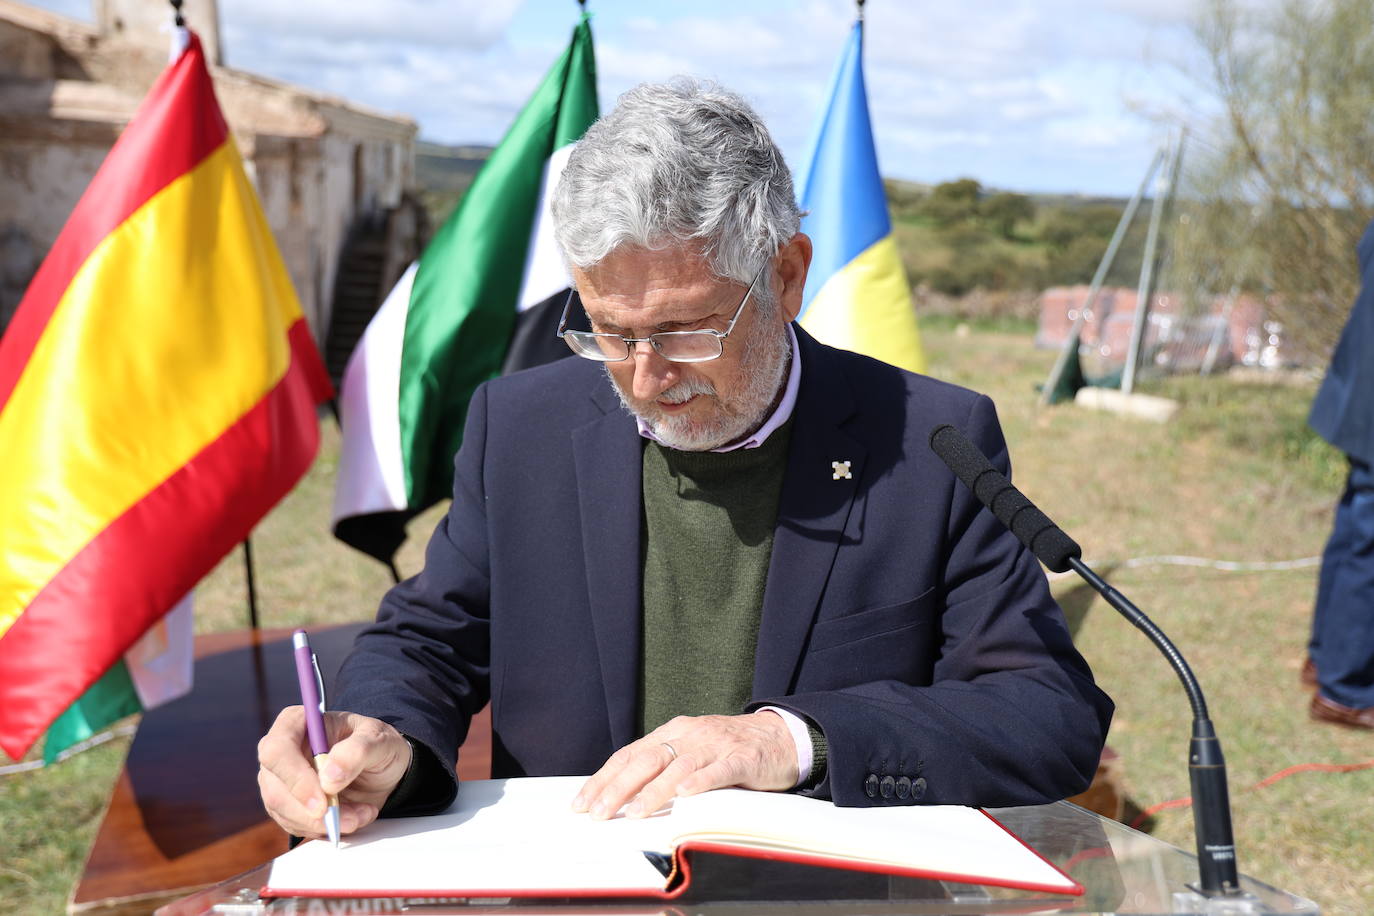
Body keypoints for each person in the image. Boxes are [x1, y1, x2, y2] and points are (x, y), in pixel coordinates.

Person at [258, 79, 1113, 841]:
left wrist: (791, 739)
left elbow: (1047, 714)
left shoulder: (931, 444)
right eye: (609, 331)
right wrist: (379, 740)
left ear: (785, 276)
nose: (644, 376)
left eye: (684, 330)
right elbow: (432, 639)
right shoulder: (520, 427)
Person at [1306, 218, 1374, 729]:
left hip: (1361, 397)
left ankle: (1327, 660)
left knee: (1356, 530)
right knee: (1365, 539)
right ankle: (1346, 691)